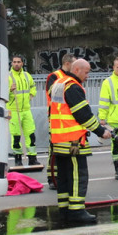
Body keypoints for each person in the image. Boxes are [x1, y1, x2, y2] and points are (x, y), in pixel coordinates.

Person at [49, 58, 113, 224]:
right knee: (78, 176)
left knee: (63, 177)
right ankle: (76, 211)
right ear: (77, 70)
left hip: (59, 140)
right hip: (73, 143)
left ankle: (65, 210)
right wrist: (101, 131)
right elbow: (83, 115)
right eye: (87, 72)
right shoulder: (73, 86)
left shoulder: (59, 84)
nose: (88, 76)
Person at [45, 52, 76, 189]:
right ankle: (52, 177)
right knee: (54, 150)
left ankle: (64, 177)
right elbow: (55, 94)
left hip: (69, 120)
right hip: (56, 119)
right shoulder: (54, 76)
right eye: (74, 64)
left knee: (67, 151)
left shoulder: (72, 77)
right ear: (67, 64)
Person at [8, 55, 38, 167]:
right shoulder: (8, 77)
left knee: (30, 134)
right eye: (14, 62)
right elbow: (1, 92)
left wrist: (31, 95)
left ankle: (32, 158)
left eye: (18, 62)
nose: (16, 64)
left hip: (26, 110)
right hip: (13, 110)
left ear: (22, 63)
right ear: (12, 63)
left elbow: (33, 86)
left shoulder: (27, 75)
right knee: (16, 136)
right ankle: (18, 159)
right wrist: (9, 90)